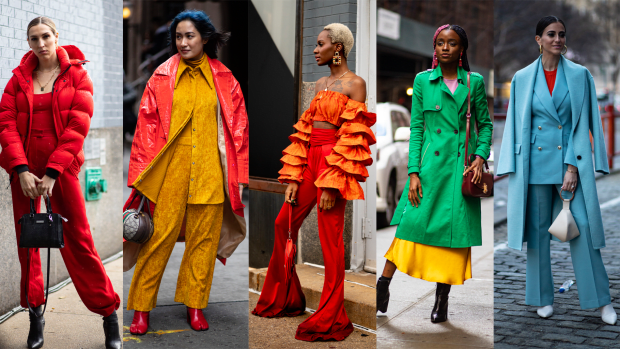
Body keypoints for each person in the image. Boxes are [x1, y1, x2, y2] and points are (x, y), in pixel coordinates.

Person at [0, 16, 121, 349]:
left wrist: (53, 172)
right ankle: (35, 317)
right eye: (33, 39)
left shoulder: (78, 76)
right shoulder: (17, 81)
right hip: (23, 170)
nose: (40, 44)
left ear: (57, 37)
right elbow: (6, 125)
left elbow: (77, 127)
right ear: (28, 43)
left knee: (79, 241)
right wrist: (21, 169)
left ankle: (108, 314)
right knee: (30, 246)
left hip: (62, 169)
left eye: (45, 37)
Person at [124, 10, 248, 334]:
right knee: (157, 240)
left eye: (189, 36)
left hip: (210, 174)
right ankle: (140, 308)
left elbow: (239, 130)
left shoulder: (226, 79)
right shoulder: (160, 77)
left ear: (205, 38)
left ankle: (195, 305)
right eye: (178, 37)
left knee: (203, 243)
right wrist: (139, 175)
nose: (183, 42)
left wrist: (238, 178)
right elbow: (144, 129)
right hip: (170, 174)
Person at [251, 23, 375, 341]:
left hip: (335, 162)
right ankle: (285, 297)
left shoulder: (355, 84)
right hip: (310, 161)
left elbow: (352, 138)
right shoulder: (320, 83)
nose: (315, 50)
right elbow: (305, 131)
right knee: (283, 223)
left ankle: (331, 314)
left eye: (320, 44)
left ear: (338, 48)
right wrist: (294, 176)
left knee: (330, 241)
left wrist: (333, 184)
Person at [496, 16, 617, 325]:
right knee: (537, 236)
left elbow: (586, 122)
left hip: (568, 163)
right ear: (539, 39)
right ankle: (540, 298)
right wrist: (509, 166)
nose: (558, 39)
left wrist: (573, 167)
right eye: (551, 34)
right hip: (533, 165)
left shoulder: (580, 75)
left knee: (584, 231)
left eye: (562, 34)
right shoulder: (523, 78)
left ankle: (601, 301)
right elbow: (515, 124)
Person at [376, 24, 493, 323]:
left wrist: (480, 156)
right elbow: (416, 130)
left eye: (451, 43)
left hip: (459, 170)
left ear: (461, 50)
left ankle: (442, 301)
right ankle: (383, 284)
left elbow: (486, 125)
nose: (444, 48)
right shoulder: (423, 81)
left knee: (452, 239)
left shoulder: (474, 82)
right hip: (428, 171)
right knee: (408, 228)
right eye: (440, 42)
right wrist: (413, 172)